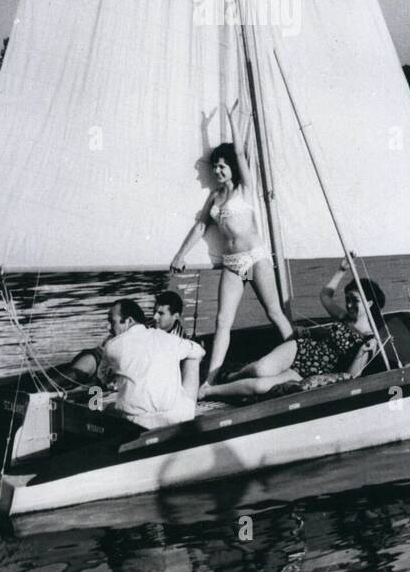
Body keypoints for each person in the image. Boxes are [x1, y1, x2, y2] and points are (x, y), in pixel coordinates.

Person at [170, 103, 292, 386]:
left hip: (256, 257)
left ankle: (298, 354)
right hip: (234, 264)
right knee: (223, 321)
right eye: (215, 166)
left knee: (274, 312)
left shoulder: (245, 188)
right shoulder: (214, 197)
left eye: (222, 166)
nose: (218, 170)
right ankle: (210, 380)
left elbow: (239, 152)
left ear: (232, 168)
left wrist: (229, 121)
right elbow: (201, 225)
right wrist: (180, 254)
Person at [198, 266, 386, 401]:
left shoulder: (369, 340)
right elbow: (325, 296)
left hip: (309, 372)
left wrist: (363, 351)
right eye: (348, 300)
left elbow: (351, 376)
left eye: (355, 301)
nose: (349, 305)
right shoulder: (343, 316)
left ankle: (209, 391)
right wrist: (341, 270)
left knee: (260, 386)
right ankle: (232, 376)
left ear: (369, 303)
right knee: (259, 370)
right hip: (301, 349)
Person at [99, 298, 204, 430]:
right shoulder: (168, 338)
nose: (108, 327)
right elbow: (199, 351)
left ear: (129, 321)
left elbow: (102, 377)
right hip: (177, 418)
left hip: (138, 423)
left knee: (107, 408)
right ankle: (192, 410)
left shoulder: (111, 346)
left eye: (111, 321)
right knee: (193, 357)